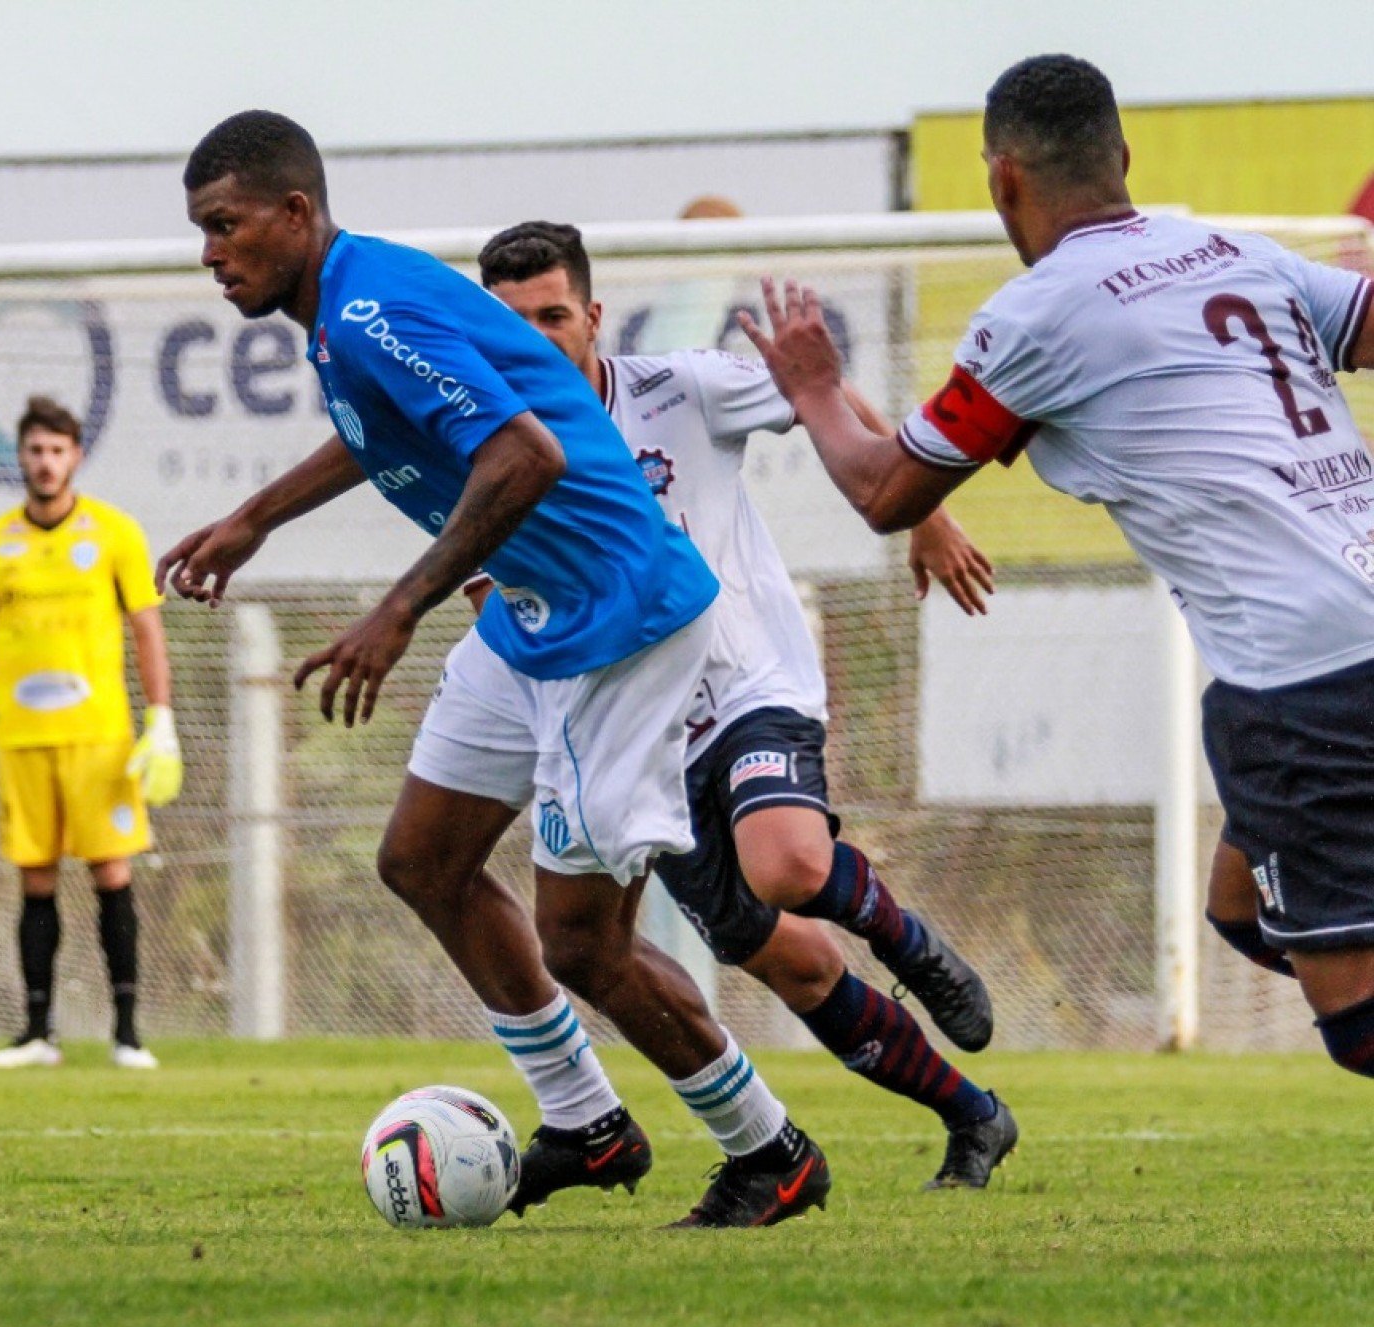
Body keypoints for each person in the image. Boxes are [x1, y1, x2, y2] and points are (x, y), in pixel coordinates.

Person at [163, 110, 830, 1228]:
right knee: (422, 860)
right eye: (200, 232)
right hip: (534, 621)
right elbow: (384, 433)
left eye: (225, 227)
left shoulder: (369, 308)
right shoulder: (349, 309)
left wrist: (398, 608)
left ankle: (772, 1151)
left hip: (617, 624)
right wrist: (253, 517)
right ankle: (586, 1121)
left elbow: (528, 452)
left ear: (294, 213)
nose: (209, 255)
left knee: (583, 942)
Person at [743, 54, 1374, 1074]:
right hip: (1324, 645)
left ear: (1004, 180)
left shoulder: (1040, 315)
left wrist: (816, 388)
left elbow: (885, 491)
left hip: (1305, 677)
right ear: (1123, 156)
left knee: (1358, 1027)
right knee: (1234, 908)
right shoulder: (1234, 249)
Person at [477, 221, 1018, 1189]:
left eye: (554, 315)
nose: (538, 336)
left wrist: (924, 514)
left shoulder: (677, 387)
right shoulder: (488, 455)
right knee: (794, 966)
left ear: (593, 317)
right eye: (513, 321)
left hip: (749, 685)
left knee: (790, 864)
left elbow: (820, 395)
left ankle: (913, 946)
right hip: (643, 740)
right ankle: (973, 1116)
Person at [0, 395, 182, 1071]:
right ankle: (38, 1032)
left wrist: (161, 719)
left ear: (75, 455)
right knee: (34, 879)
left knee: (111, 870)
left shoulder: (115, 534)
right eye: (35, 450)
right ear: (21, 456)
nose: (45, 462)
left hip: (100, 737)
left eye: (57, 450)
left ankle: (127, 1033)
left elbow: (147, 628)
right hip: (22, 738)